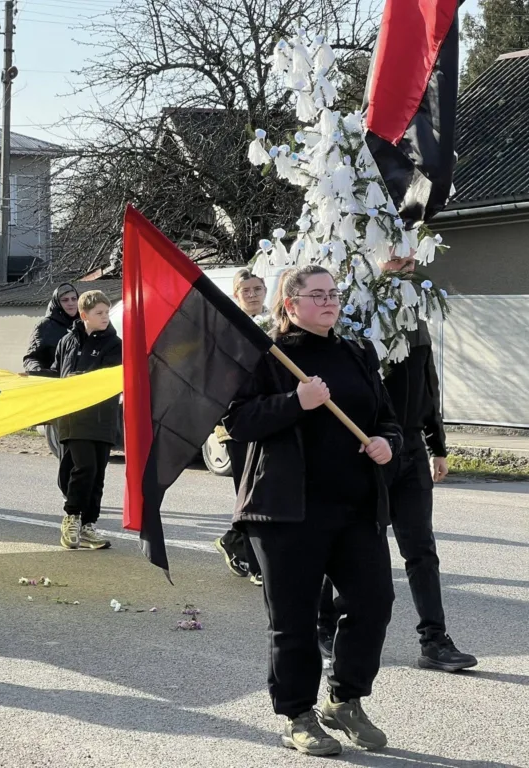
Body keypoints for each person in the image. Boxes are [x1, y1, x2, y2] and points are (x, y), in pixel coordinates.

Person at [223, 264, 401, 757]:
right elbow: (238, 421)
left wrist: (389, 442)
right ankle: (297, 715)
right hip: (285, 512)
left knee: (373, 603)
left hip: (355, 507)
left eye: (334, 294)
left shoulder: (356, 352)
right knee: (294, 618)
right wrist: (295, 401)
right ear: (290, 304)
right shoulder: (270, 356)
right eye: (317, 294)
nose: (329, 301)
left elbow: (386, 418)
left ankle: (344, 700)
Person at [317, 253, 478, 673]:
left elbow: (428, 387)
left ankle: (435, 641)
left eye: (411, 262)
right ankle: (324, 624)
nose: (407, 268)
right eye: (396, 261)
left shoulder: (416, 319)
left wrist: (436, 445)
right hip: (366, 450)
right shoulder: (356, 316)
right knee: (348, 544)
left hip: (408, 451)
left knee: (421, 549)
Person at [52, 290, 121, 550]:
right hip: (73, 414)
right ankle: (71, 516)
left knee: (97, 473)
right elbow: (58, 373)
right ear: (84, 316)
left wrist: (77, 379)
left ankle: (89, 525)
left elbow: (108, 378)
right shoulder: (67, 341)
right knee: (84, 468)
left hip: (102, 416)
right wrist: (33, 376)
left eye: (107, 312)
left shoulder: (115, 344)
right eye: (99, 313)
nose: (105, 317)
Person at [213, 269, 270, 584]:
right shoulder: (228, 329)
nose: (252, 294)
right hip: (238, 425)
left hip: (271, 419)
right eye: (245, 290)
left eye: (257, 288)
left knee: (266, 492)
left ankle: (232, 540)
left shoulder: (276, 325)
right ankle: (257, 565)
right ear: (236, 295)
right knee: (247, 495)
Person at [23, 283, 79, 376]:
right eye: (65, 300)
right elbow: (31, 358)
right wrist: (39, 371)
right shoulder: (44, 326)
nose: (71, 303)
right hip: (53, 381)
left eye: (74, 299)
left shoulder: (86, 323)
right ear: (57, 302)